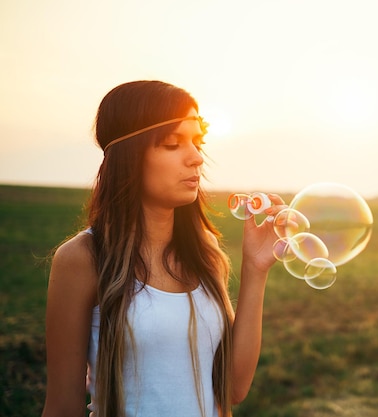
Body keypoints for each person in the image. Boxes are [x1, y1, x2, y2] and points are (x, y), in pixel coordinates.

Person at [41, 80, 285, 417]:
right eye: (173, 144)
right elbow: (62, 407)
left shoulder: (204, 251)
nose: (197, 158)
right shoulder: (82, 258)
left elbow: (233, 388)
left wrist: (256, 270)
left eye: (198, 142)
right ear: (129, 155)